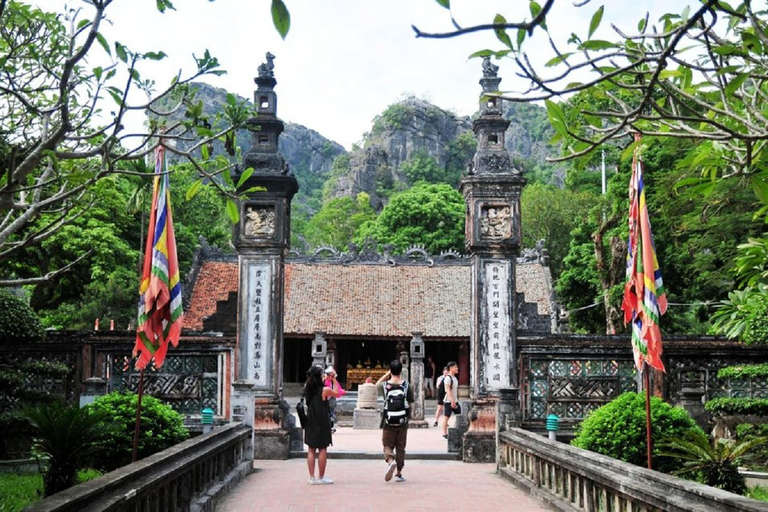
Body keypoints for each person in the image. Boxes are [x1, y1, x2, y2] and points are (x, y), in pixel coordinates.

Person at [376, 359, 414, 483]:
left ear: (390, 370)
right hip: (402, 421)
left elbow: (376, 384)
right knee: (401, 447)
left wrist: (387, 375)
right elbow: (410, 403)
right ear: (401, 371)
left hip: (388, 421)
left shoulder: (385, 386)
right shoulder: (407, 385)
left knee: (387, 445)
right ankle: (398, 472)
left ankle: (390, 461)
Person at [303, 365, 340, 485]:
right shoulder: (324, 390)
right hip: (322, 420)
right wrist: (333, 379)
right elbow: (336, 393)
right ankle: (321, 477)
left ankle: (311, 477)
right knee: (323, 448)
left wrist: (326, 378)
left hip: (310, 420)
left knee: (311, 449)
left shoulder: (307, 388)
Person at [323, 366, 345, 433]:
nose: (331, 377)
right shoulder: (324, 381)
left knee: (331, 414)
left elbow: (338, 389)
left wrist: (334, 379)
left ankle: (330, 427)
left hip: (331, 401)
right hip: (324, 400)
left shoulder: (334, 381)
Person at [441, 361, 459, 439]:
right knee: (446, 417)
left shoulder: (455, 378)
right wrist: (452, 401)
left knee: (460, 415)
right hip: (449, 401)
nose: (457, 368)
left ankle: (457, 430)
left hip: (455, 401)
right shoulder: (448, 378)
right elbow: (447, 391)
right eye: (455, 367)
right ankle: (444, 434)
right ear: (451, 368)